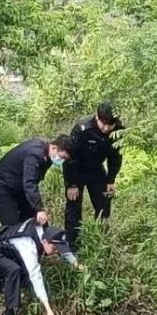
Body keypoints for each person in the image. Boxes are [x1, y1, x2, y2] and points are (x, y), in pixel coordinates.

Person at [0, 218, 78, 315]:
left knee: (24, 277)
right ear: (45, 242)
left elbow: (63, 248)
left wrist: (76, 264)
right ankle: (9, 314)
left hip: (8, 253)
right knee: (13, 270)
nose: (56, 252)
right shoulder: (28, 246)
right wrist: (48, 309)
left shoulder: (45, 232)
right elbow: (35, 276)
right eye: (54, 249)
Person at [63, 101, 124, 251]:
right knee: (74, 209)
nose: (106, 128)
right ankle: (73, 247)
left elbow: (116, 157)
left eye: (110, 125)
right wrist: (72, 184)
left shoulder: (118, 131)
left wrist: (111, 180)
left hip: (97, 170)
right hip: (77, 170)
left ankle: (99, 243)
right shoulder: (82, 129)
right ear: (97, 117)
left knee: (104, 205)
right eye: (103, 123)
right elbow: (69, 157)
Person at [0, 135, 73, 227]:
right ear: (54, 147)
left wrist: (37, 209)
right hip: (3, 187)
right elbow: (30, 183)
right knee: (12, 226)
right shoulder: (34, 155)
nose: (62, 160)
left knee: (37, 222)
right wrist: (39, 209)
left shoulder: (47, 154)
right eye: (62, 157)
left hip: (19, 187)